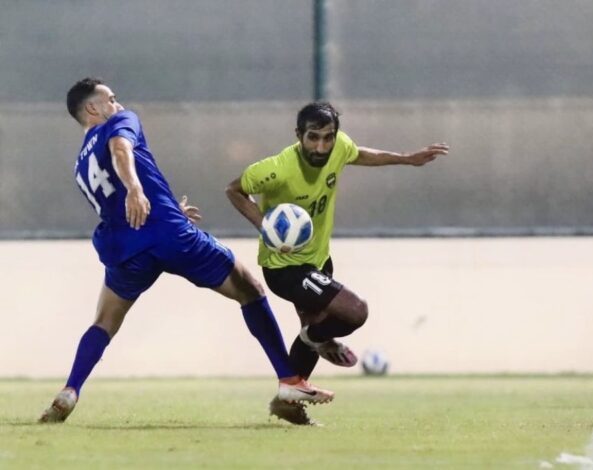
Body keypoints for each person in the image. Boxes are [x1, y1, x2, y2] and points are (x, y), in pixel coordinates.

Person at [39, 78, 333, 424]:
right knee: (250, 290)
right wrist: (136, 188)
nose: (118, 104)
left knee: (104, 322)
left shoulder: (80, 165)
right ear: (93, 108)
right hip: (168, 235)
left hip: (123, 246)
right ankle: (289, 379)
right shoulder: (120, 122)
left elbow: (115, 201)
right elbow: (122, 150)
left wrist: (161, 204)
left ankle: (70, 390)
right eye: (112, 99)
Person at [226, 102, 448, 424]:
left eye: (328, 137)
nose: (321, 146)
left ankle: (288, 400)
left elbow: (359, 154)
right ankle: (318, 339)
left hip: (319, 260)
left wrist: (406, 159)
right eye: (313, 137)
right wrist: (265, 226)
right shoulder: (275, 169)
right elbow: (233, 190)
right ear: (298, 135)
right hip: (284, 267)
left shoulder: (339, 148)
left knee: (312, 328)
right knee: (355, 311)